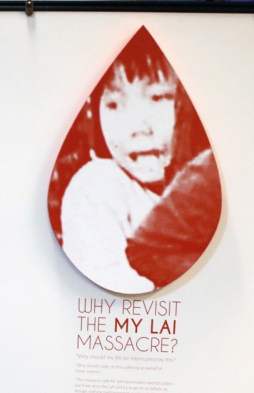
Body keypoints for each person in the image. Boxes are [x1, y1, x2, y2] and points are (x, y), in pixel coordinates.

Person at [49, 26, 220, 294]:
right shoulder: (97, 186)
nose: (137, 127)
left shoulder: (205, 181)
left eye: (157, 97)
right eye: (115, 104)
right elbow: (111, 286)